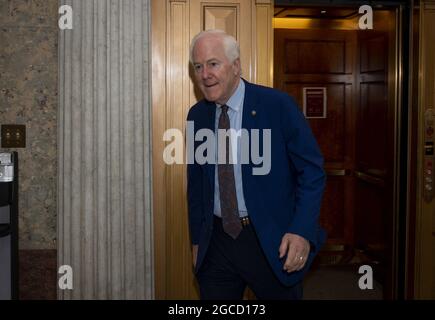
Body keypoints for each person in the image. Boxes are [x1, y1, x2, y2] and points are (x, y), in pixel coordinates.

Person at [186, 29, 326, 300]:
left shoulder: (277, 105)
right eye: (198, 66)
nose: (205, 74)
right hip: (216, 243)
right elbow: (196, 187)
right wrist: (196, 242)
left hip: (271, 241)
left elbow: (312, 172)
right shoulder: (198, 115)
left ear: (236, 65)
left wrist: (301, 230)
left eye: (213, 64)